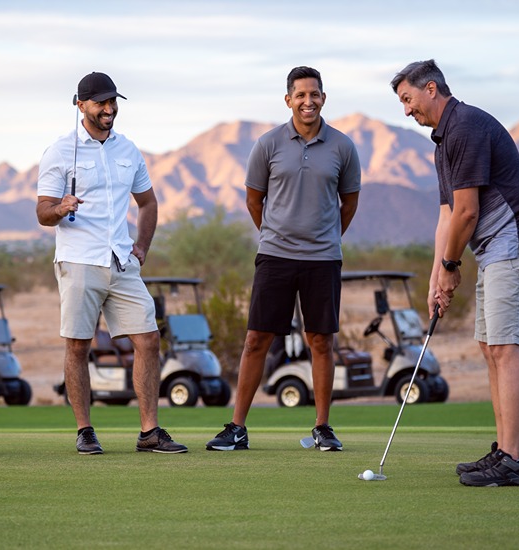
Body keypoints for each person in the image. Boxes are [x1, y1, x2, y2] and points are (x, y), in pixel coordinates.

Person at [390, 59, 519, 487]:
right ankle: (504, 450)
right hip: (494, 251)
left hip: (516, 244)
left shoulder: (466, 127)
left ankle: (515, 461)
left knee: (504, 347)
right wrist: (435, 277)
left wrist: (451, 266)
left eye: (407, 99)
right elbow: (446, 214)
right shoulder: (444, 142)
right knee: (488, 346)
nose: (406, 111)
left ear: (430, 88)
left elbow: (468, 211)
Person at [206, 66, 361, 452]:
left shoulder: (343, 147)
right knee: (257, 338)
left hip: (323, 258)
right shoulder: (268, 144)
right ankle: (237, 428)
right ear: (288, 99)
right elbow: (253, 200)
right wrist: (275, 234)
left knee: (320, 341)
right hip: (274, 255)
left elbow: (350, 203)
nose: (308, 101)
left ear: (323, 98)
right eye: (301, 95)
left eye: (315, 94)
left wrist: (324, 238)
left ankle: (323, 427)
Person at [36, 71, 187, 455]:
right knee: (78, 347)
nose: (109, 108)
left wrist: (142, 247)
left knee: (149, 340)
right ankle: (85, 430)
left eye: (112, 101)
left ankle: (149, 432)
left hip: (122, 261)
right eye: (101, 102)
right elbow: (42, 212)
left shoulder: (128, 150)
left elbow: (148, 203)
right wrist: (60, 207)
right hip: (78, 261)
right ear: (80, 105)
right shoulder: (59, 151)